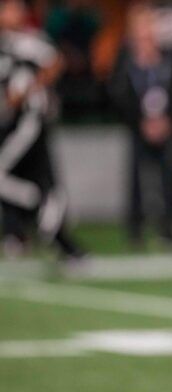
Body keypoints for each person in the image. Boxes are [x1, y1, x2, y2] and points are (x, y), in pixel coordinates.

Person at [0, 0, 83, 260]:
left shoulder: (28, 41)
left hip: (28, 123)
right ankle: (24, 229)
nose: (10, 13)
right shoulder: (5, 44)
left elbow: (55, 62)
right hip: (8, 124)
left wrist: (27, 90)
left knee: (22, 179)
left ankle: (43, 215)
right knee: (25, 180)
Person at [108, 3, 172, 248]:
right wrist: (139, 121)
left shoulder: (168, 56)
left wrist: (168, 120)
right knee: (137, 181)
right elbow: (117, 92)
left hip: (165, 126)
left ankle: (169, 231)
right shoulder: (126, 58)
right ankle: (136, 232)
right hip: (138, 127)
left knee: (168, 180)